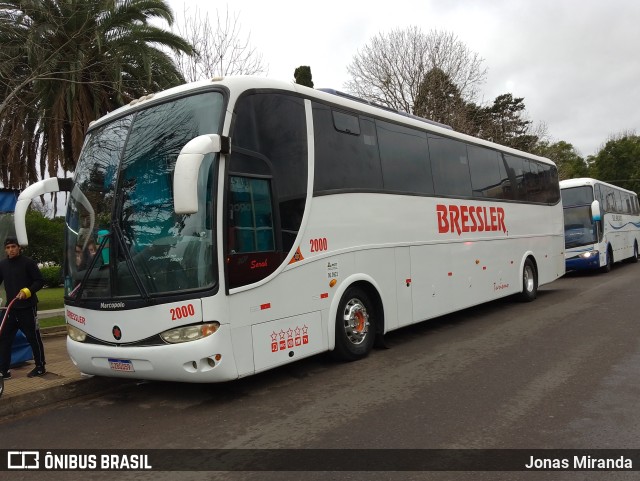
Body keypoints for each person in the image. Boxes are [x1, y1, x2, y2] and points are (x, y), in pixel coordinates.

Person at [0, 236, 46, 379]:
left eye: (13, 247)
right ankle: (4, 370)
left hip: (27, 307)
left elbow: (39, 281)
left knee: (33, 337)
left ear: (19, 247)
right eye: (8, 248)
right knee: (4, 339)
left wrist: (28, 291)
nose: (11, 250)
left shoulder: (28, 263)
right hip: (11, 309)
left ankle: (40, 366)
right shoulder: (2, 265)